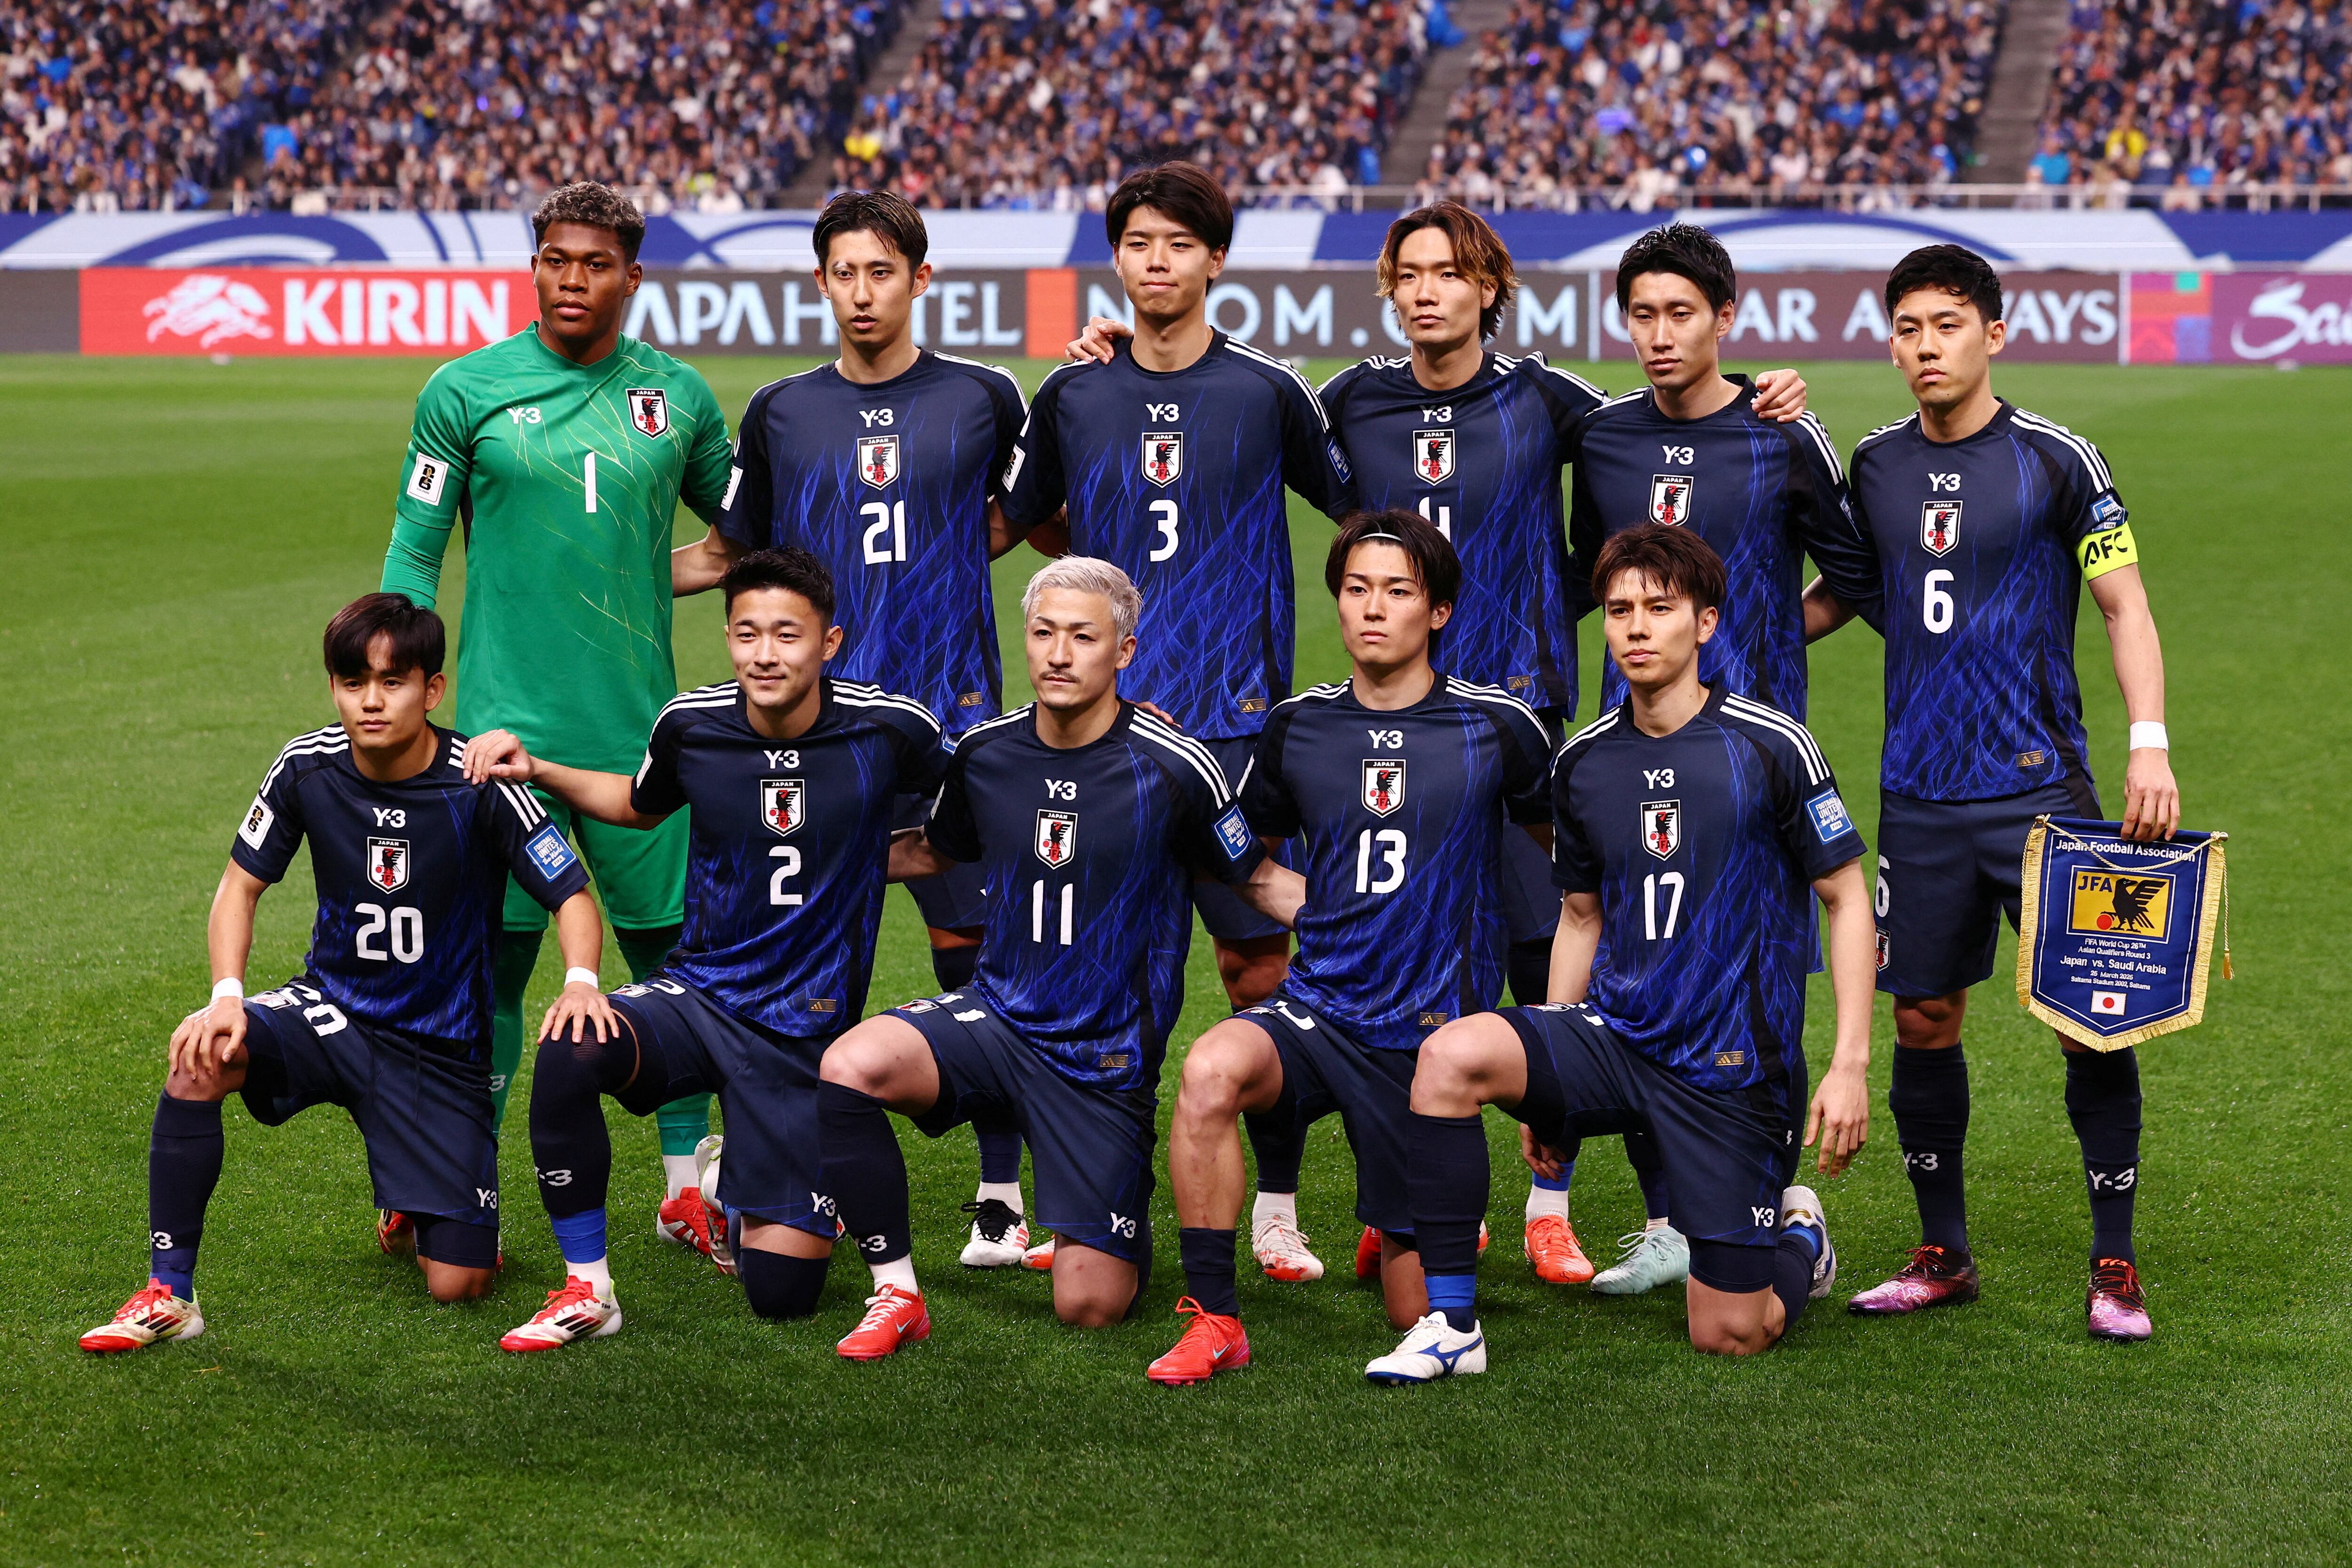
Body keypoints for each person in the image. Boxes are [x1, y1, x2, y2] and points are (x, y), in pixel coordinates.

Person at [1069, 206, 1822, 1290]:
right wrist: (1114, 358)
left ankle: (1580, 1209)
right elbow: (1222, 450)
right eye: (1409, 274)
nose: (1428, 292)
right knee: (1344, 952)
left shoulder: (1550, 399)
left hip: (1511, 727)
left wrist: (1763, 391)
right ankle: (1322, 1204)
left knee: (1566, 956)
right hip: (1380, 728)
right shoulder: (1346, 401)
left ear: (1488, 287)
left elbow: (1667, 424)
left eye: (1450, 274)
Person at [1367, 525, 1875, 1382]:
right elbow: (1579, 916)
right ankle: (1452, 1323)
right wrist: (1549, 1090)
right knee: (1450, 1056)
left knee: (1730, 1333)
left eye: (1660, 609)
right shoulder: (1585, 761)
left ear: (1706, 625)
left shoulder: (1769, 745)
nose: (1637, 627)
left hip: (1731, 1068)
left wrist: (1850, 1063)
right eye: (1619, 610)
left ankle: (1799, 1237)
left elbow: (1847, 898)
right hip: (1615, 1035)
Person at [1498, 221, 1878, 1299]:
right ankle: (1673, 1219)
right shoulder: (1604, 438)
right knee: (1629, 956)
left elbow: (1853, 576)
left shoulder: (1780, 431)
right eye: (1641, 315)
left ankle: (1762, 1204)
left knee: (1747, 985)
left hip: (1751, 762)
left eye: (1680, 313)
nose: (1659, 336)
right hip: (1634, 752)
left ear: (1725, 318)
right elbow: (1587, 571)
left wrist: (1750, 638)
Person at [80, 596, 609, 1353]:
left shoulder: (480, 779)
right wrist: (225, 997)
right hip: (329, 1011)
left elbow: (572, 895)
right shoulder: (307, 767)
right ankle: (171, 1292)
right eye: (352, 679)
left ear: (432, 689)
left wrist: (583, 978)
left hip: (439, 1049)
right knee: (200, 1056)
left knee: (458, 1283)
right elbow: (239, 886)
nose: (369, 699)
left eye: (393, 681)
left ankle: (419, 1197)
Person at [814, 557, 1303, 1359]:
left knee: (1090, 1304)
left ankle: (1114, 1224)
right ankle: (895, 1291)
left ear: (1125, 652)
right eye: (1045, 633)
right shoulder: (986, 753)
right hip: (998, 1018)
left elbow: (1256, 878)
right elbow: (930, 853)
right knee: (851, 1065)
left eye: (1084, 636)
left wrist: (1366, 920)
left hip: (1101, 1061)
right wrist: (809, 843)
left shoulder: (1174, 766)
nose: (1059, 653)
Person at [378, 181, 738, 1261]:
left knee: (670, 959)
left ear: (634, 276)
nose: (570, 278)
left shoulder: (679, 399)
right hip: (493, 738)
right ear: (533, 265)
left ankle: (686, 1186)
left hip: (641, 737)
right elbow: (415, 548)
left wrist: (637, 574)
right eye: (553, 259)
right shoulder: (465, 390)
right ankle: (452, 1179)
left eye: (594, 263)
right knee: (488, 965)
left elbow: (736, 542)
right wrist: (401, 697)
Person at [465, 549, 947, 1350]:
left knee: (781, 1295)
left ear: (829, 643)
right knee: (571, 1043)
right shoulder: (691, 725)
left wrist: (868, 857)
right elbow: (637, 804)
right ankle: (591, 1287)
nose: (765, 653)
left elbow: (982, 802)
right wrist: (539, 767)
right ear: (727, 635)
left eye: (787, 635)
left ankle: (729, 1177)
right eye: (747, 632)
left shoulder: (892, 727)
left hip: (804, 1036)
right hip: (701, 996)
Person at [1835, 245, 2179, 1340]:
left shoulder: (2057, 457)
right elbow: (1840, 597)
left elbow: (2122, 605)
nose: (1923, 347)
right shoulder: (1873, 465)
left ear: (1993, 330)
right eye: (1905, 329)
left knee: (2093, 1021)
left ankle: (2113, 1264)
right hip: (1920, 797)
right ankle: (1943, 1251)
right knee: (1924, 1014)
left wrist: (2149, 746)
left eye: (1944, 325)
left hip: (2043, 792)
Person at [696, 190, 1038, 1270]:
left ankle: (998, 1192)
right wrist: (576, 572)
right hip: (809, 734)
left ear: (920, 280)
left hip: (952, 729)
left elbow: (1030, 519)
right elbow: (724, 557)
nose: (861, 291)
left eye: (880, 271)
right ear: (820, 283)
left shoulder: (986, 397)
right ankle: (767, 1169)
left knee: (980, 958)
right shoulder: (781, 410)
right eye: (842, 272)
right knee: (781, 954)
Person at [1146, 511, 1552, 1385]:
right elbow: (1244, 859)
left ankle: (1395, 1225)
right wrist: (1317, 910)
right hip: (1319, 1012)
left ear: (1439, 611)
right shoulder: (1299, 725)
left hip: (1428, 1041)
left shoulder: (1499, 727)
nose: (1374, 608)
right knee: (1213, 1067)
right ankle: (1216, 1316)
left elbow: (1571, 860)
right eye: (1357, 589)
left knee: (1420, 1313)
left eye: (1398, 591)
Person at [999, 160, 1351, 1064]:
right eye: (1139, 244)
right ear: (1116, 258)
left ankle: (1273, 1200)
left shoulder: (1268, 391)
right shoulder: (1074, 393)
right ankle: (1097, 1177)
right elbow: (1023, 519)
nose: (1157, 262)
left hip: (1235, 726)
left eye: (1180, 245)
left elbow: (1360, 518)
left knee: (1256, 963)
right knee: (1096, 956)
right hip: (1103, 728)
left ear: (1217, 261)